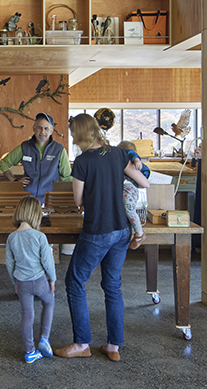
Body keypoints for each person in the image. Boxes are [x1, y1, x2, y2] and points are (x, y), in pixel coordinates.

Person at [55, 114, 148, 361]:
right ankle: (113, 346)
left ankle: (82, 343)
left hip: (98, 230)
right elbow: (143, 182)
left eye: (74, 132)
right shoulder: (118, 154)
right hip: (121, 231)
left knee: (75, 281)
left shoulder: (83, 161)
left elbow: (78, 201)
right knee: (112, 286)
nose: (73, 137)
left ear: (82, 134)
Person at [5, 195, 56, 363]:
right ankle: (44, 338)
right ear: (36, 214)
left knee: (27, 315)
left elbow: (9, 263)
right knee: (48, 302)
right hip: (40, 280)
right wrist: (52, 279)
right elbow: (47, 262)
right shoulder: (40, 236)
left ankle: (30, 352)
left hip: (22, 283)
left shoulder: (12, 237)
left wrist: (15, 283)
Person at [0, 112, 70, 203]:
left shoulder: (59, 150)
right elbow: (4, 163)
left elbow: (67, 177)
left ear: (51, 131)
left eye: (46, 128)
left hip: (49, 200)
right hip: (27, 200)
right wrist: (15, 181)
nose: (42, 131)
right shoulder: (24, 147)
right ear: (34, 128)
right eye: (39, 127)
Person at [116, 140, 152, 250]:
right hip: (123, 188)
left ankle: (139, 233)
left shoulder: (129, 158)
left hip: (129, 188)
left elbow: (131, 154)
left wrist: (136, 161)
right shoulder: (120, 162)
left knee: (129, 209)